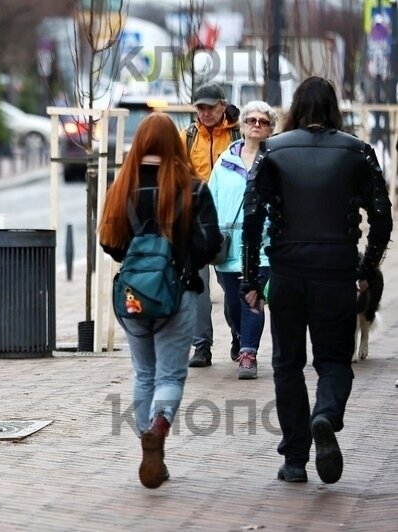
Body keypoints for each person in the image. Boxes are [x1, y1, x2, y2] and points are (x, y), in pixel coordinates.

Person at [240, 77, 392, 484]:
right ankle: (324, 414)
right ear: (334, 109)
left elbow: (251, 219)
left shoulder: (272, 150)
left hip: (287, 270)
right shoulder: (358, 152)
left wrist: (251, 279)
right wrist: (365, 269)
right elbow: (382, 218)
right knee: (334, 361)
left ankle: (294, 459)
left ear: (295, 107)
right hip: (336, 271)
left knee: (287, 363)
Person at [99, 113, 222, 489]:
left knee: (144, 374)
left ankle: (147, 444)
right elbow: (209, 244)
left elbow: (109, 242)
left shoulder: (123, 187)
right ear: (174, 144)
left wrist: (138, 261)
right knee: (170, 375)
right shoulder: (193, 188)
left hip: (133, 296)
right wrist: (183, 262)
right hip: (178, 294)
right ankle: (159, 426)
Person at [208, 101, 278, 379]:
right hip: (227, 247)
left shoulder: (276, 163)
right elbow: (210, 200)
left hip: (261, 248)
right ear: (242, 126)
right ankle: (239, 335)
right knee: (233, 304)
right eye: (251, 120)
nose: (256, 125)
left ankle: (248, 353)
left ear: (271, 128)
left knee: (253, 299)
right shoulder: (224, 163)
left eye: (263, 121)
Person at [180, 82, 241, 368]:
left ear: (222, 105)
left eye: (210, 107)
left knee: (232, 283)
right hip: (197, 221)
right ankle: (201, 345)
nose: (204, 113)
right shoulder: (189, 137)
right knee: (197, 286)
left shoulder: (239, 134)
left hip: (231, 221)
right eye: (200, 108)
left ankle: (240, 336)